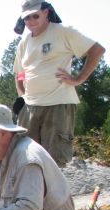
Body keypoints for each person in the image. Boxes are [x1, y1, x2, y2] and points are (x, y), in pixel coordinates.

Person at [13, 0, 106, 167]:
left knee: (53, 161)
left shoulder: (63, 32)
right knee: (24, 159)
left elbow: (97, 50)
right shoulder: (24, 42)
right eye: (27, 18)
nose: (31, 21)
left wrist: (79, 79)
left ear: (46, 12)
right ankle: (32, 193)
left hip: (58, 104)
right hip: (30, 107)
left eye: (36, 16)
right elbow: (19, 72)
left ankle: (51, 193)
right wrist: (22, 95)